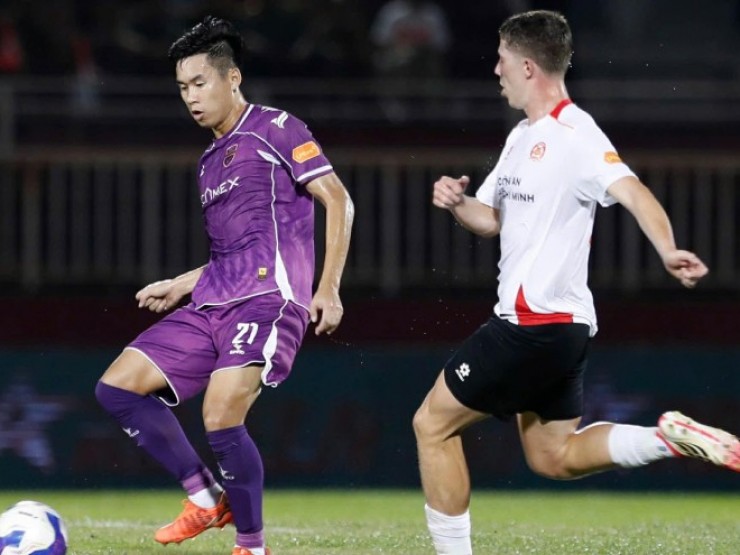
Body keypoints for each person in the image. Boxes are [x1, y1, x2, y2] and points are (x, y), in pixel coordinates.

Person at [412, 10, 740, 555]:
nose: (495, 69)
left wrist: (667, 249)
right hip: (562, 329)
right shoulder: (521, 136)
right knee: (554, 457)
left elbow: (634, 191)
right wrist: (457, 202)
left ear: (526, 66)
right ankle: (665, 439)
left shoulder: (576, 133)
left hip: (530, 323)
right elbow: (490, 219)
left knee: (431, 425)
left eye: (501, 59)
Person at [95, 15, 354, 555]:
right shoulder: (209, 161)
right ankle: (205, 496)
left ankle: (251, 546)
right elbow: (233, 252)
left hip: (267, 301)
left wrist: (328, 287)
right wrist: (181, 283)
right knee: (117, 387)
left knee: (219, 413)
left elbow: (338, 199)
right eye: (182, 88)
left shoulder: (276, 127)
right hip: (213, 300)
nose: (191, 97)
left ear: (232, 78)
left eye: (199, 83)